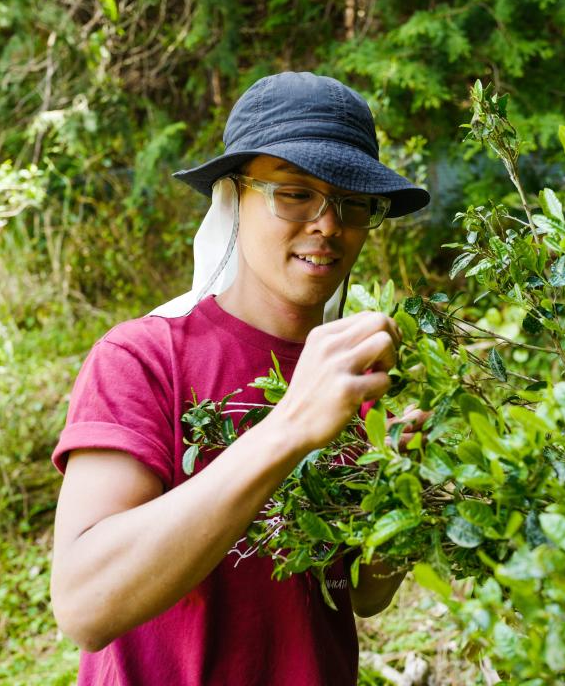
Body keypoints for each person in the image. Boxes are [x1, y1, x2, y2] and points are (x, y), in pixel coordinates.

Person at [50, 71, 430, 685]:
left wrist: (406, 493)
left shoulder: (360, 372)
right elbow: (85, 606)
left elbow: (360, 593)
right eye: (294, 193)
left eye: (353, 202)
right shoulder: (144, 359)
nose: (328, 224)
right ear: (232, 196)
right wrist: (290, 429)